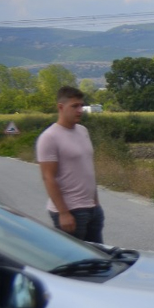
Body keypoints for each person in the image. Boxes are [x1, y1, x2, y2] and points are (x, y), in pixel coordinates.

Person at [37, 86, 104, 242]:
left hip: (92, 209)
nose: (80, 110)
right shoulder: (49, 137)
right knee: (76, 262)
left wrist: (96, 202)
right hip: (71, 211)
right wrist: (63, 213)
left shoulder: (83, 131)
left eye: (81, 105)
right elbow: (48, 177)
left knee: (98, 260)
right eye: (74, 106)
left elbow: (87, 168)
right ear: (61, 107)